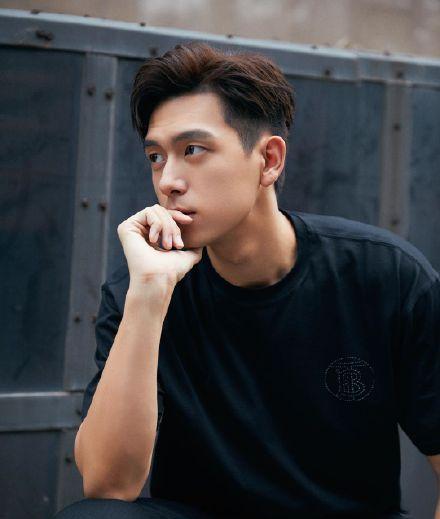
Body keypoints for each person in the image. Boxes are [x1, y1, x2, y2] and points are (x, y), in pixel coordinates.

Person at [54, 42, 440, 519]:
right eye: (156, 156)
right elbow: (107, 485)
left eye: (193, 150)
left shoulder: (385, 275)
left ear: (269, 160)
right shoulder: (142, 287)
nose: (168, 180)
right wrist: (148, 298)